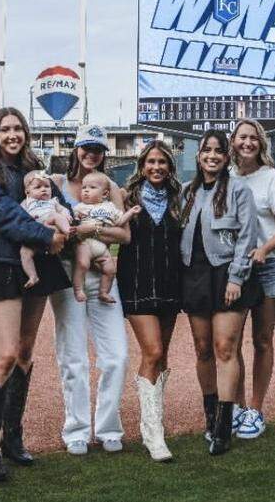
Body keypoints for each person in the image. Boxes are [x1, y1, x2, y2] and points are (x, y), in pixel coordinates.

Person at [0, 107, 68, 481]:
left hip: (37, 264)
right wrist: (47, 236)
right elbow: (2, 212)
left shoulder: (33, 165)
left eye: (18, 129)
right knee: (7, 353)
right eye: (6, 129)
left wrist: (68, 223)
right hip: (0, 261)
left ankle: (13, 436)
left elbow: (60, 204)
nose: (13, 134)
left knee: (26, 351)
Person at [48, 124, 130, 457]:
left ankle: (109, 427)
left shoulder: (111, 187)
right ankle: (77, 429)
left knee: (117, 355)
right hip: (69, 274)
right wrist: (84, 233)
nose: (91, 154)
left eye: (97, 149)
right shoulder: (57, 184)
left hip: (104, 273)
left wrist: (89, 229)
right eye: (86, 148)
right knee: (73, 357)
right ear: (75, 149)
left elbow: (124, 236)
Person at [181, 129, 258, 456]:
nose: (212, 156)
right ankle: (210, 417)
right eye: (206, 150)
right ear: (198, 156)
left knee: (225, 347)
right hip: (195, 274)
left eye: (218, 151)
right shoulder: (187, 190)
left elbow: (248, 237)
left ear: (227, 157)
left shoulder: (239, 189)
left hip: (227, 273)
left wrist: (237, 278)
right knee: (202, 349)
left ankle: (226, 425)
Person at [117, 140, 183, 461]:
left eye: (162, 162)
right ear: (142, 166)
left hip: (170, 286)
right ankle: (153, 433)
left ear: (169, 166)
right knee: (152, 350)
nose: (156, 167)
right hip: (136, 285)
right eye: (151, 162)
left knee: (162, 357)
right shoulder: (127, 198)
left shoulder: (177, 200)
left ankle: (154, 425)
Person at [228, 119, 275, 439]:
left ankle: (255, 409)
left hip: (269, 265)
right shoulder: (225, 177)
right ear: (234, 141)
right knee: (233, 340)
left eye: (254, 138)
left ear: (261, 143)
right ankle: (238, 407)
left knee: (263, 340)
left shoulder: (272, 178)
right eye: (243, 137)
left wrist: (265, 248)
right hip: (235, 269)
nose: (248, 143)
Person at [70, 171, 142, 304]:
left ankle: (103, 292)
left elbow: (120, 222)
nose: (86, 191)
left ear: (105, 194)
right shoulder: (80, 207)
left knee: (110, 269)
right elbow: (72, 222)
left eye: (92, 188)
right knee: (83, 263)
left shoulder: (110, 208)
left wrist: (131, 212)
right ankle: (78, 289)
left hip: (101, 247)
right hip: (85, 243)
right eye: (84, 188)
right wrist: (75, 220)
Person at [18, 170, 73, 288]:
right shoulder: (26, 202)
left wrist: (66, 214)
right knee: (24, 252)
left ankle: (68, 231)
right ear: (27, 191)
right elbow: (19, 214)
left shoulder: (53, 201)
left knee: (56, 216)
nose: (44, 189)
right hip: (35, 234)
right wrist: (27, 217)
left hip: (49, 223)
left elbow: (62, 210)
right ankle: (33, 276)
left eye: (47, 186)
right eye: (38, 187)